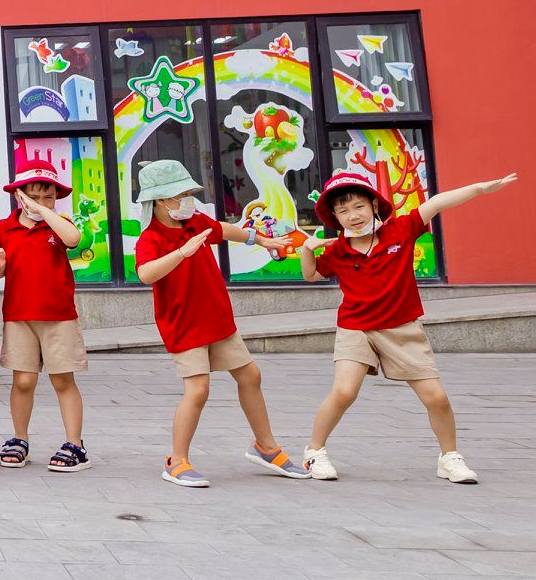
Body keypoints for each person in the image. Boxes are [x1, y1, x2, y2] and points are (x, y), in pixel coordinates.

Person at [300, 169, 518, 484]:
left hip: (402, 328)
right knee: (344, 391)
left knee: (436, 397)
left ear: (374, 205)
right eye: (343, 210)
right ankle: (315, 451)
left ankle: (449, 458)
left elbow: (437, 202)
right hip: (356, 327)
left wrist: (480, 188)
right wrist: (307, 250)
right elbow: (310, 275)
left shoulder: (401, 230)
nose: (353, 215)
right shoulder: (337, 251)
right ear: (335, 216)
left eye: (359, 206)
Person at [132, 159, 311, 488]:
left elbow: (222, 229)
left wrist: (259, 239)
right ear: (159, 200)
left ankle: (266, 447)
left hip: (217, 319)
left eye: (189, 193)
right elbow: (146, 273)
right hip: (184, 325)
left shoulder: (195, 221)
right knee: (198, 390)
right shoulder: (151, 238)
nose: (188, 200)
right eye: (181, 195)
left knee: (250, 375)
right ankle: (176, 461)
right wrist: (182, 253)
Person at [0, 157, 89, 472]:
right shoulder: (3, 228)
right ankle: (20, 439)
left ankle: (75, 444)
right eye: (33, 196)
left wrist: (44, 211)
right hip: (19, 315)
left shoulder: (59, 224)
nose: (41, 201)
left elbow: (74, 240)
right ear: (18, 195)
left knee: (62, 379)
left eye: (49, 196)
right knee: (22, 381)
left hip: (59, 315)